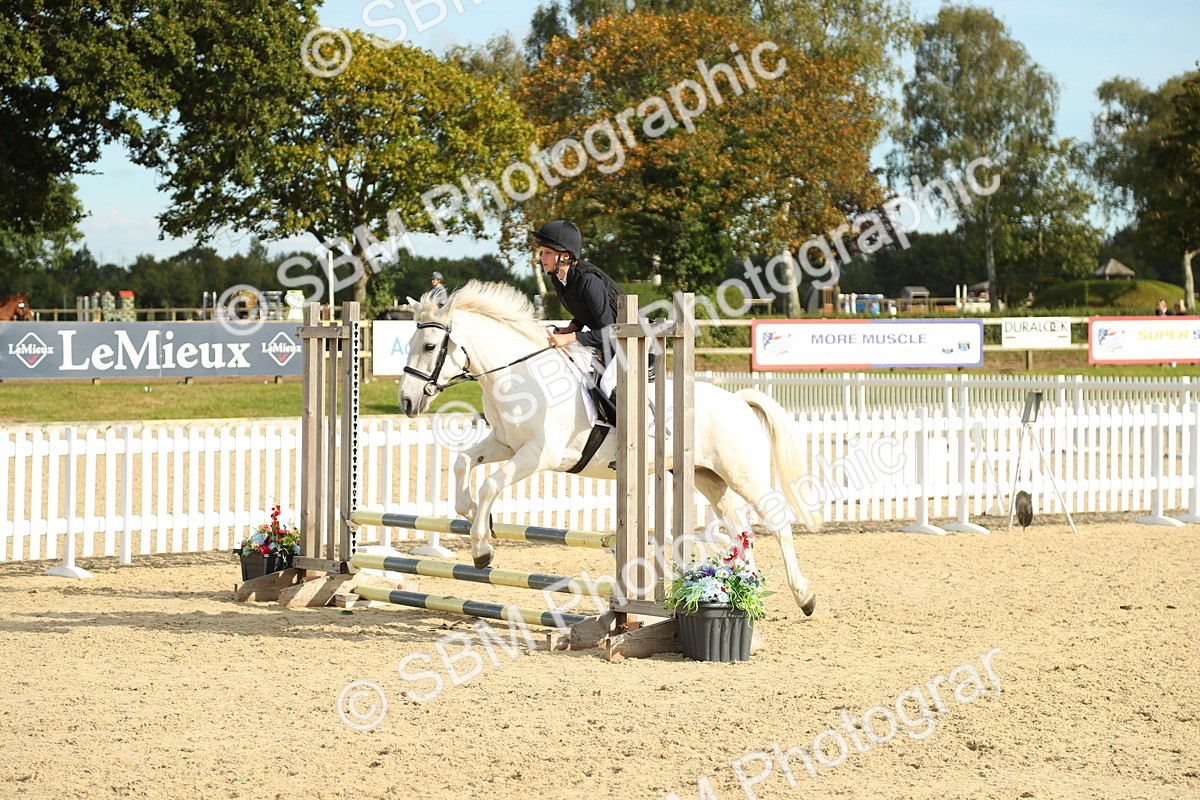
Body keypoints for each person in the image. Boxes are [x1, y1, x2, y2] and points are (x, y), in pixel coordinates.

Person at [534, 219, 623, 420]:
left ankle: (631, 431)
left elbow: (609, 331)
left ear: (565, 256)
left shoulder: (588, 281)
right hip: (611, 339)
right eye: (542, 252)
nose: (542, 257)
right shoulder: (558, 278)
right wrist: (572, 327)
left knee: (606, 385)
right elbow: (586, 310)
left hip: (633, 337)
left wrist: (571, 337)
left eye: (548, 252)